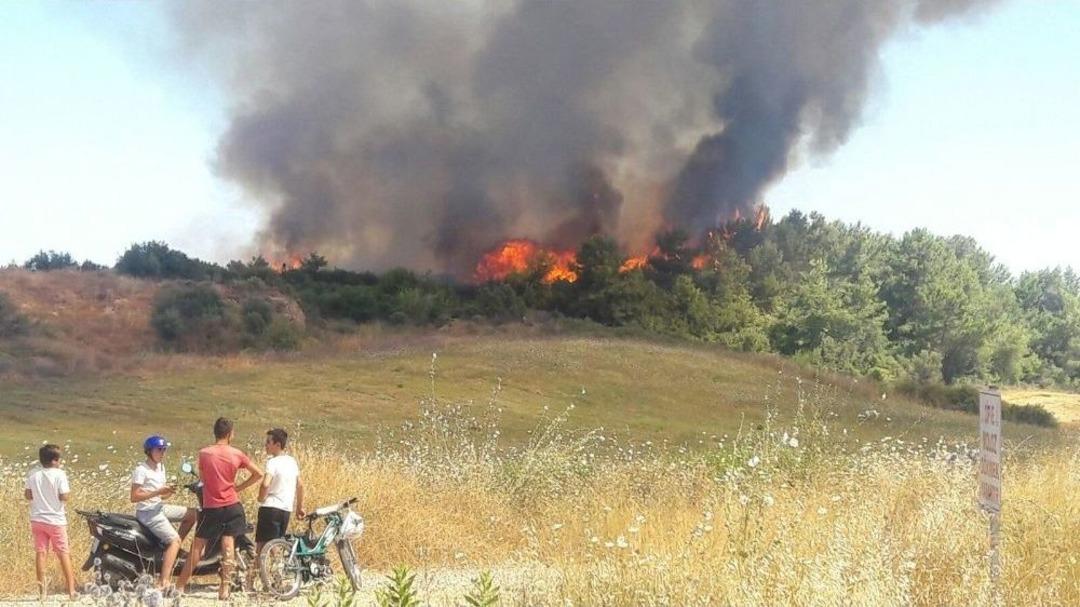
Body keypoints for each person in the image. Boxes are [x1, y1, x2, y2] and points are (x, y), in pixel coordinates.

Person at [176, 418, 263, 600]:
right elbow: (258, 474)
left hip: (211, 506)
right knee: (228, 545)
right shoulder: (237, 454)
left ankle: (180, 586)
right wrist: (237, 487)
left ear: (214, 432)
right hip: (232, 505)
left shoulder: (205, 453)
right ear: (230, 434)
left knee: (198, 546)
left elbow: (202, 478)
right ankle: (224, 589)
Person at [130, 435, 197, 590]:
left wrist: (168, 491)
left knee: (193, 514)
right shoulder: (141, 470)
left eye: (164, 449)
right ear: (149, 451)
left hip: (159, 507)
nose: (163, 453)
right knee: (174, 540)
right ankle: (163, 581)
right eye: (159, 450)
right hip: (148, 512)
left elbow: (161, 495)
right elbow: (134, 497)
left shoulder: (161, 467)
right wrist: (158, 492)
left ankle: (171, 551)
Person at [251, 428, 305, 589]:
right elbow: (300, 485)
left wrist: (261, 497)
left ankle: (270, 580)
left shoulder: (272, 462)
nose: (265, 445)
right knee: (274, 544)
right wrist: (299, 507)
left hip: (270, 507)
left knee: (263, 546)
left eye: (268, 442)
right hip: (285, 510)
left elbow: (265, 483)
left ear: (277, 444)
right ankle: (266, 579)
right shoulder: (292, 462)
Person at [25, 444, 76, 601]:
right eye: (59, 459)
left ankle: (42, 593)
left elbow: (27, 494)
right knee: (63, 553)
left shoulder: (33, 474)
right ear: (54, 460)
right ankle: (71, 590)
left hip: (37, 519)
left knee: (41, 554)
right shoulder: (59, 474)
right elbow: (64, 496)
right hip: (55, 520)